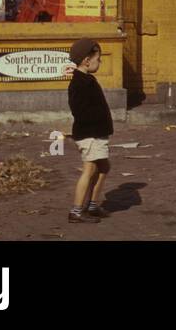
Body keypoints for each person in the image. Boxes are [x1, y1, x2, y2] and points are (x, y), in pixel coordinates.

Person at [67, 38, 113, 224]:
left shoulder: (86, 80)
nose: (99, 62)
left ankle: (92, 205)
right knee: (90, 168)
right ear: (87, 60)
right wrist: (95, 124)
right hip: (90, 134)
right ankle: (77, 210)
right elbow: (79, 110)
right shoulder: (80, 83)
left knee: (104, 167)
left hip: (95, 133)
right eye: (98, 59)